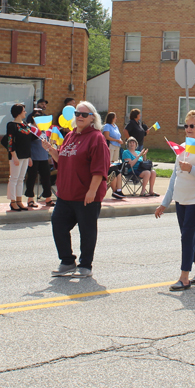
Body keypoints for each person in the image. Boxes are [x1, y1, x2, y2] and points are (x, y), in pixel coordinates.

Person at [42, 101, 110, 278]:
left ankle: (85, 265)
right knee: (58, 225)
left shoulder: (96, 138)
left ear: (92, 118)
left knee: (87, 231)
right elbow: (63, 160)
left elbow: (100, 168)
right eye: (77, 114)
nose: (80, 116)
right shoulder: (71, 136)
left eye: (84, 114)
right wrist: (52, 151)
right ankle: (67, 261)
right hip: (66, 194)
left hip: (86, 195)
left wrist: (92, 191)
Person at [154, 110, 195, 291]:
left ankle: (184, 277)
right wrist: (164, 203)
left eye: (192, 126)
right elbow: (174, 177)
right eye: (186, 125)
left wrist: (191, 169)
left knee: (187, 237)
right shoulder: (182, 147)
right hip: (180, 200)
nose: (188, 129)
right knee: (188, 236)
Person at [24, 108, 56, 208]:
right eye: (36, 116)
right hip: (33, 157)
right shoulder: (30, 128)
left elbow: (48, 142)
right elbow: (28, 142)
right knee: (31, 178)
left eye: (40, 116)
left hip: (43, 157)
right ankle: (30, 199)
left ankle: (48, 198)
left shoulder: (45, 129)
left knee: (46, 178)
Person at [6, 104, 35, 211]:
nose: (25, 112)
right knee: (13, 178)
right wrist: (14, 156)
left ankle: (19, 200)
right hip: (16, 156)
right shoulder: (12, 125)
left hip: (26, 156)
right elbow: (10, 142)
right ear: (18, 112)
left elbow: (28, 142)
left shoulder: (26, 125)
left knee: (21, 179)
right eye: (23, 110)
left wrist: (29, 157)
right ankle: (12, 201)